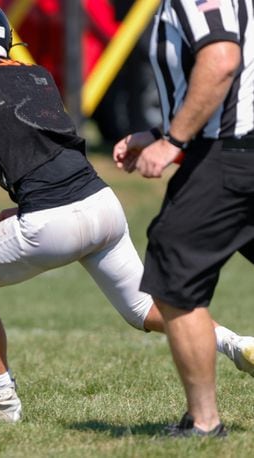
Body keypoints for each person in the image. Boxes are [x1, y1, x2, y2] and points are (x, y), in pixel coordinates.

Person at [0, 0, 254, 424]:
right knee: (144, 308)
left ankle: (0, 401)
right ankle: (235, 342)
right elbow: (48, 152)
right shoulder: (34, 73)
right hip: (102, 205)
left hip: (50, 221)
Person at [112, 0, 254, 438]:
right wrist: (157, 133)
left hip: (229, 154)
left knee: (175, 270)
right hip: (236, 148)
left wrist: (174, 139)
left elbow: (222, 60)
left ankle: (204, 422)